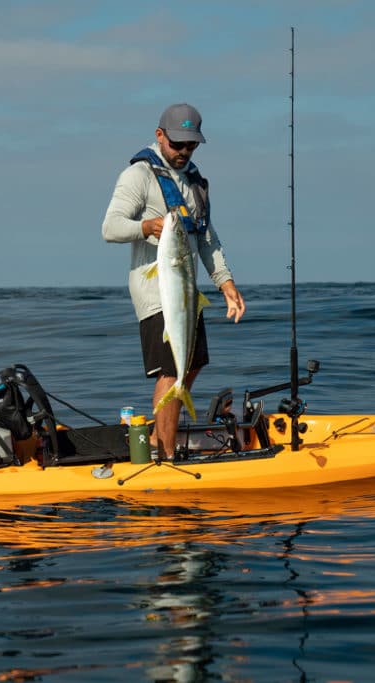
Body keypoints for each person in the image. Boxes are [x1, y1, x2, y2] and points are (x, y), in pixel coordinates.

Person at [102, 103, 246, 460]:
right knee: (170, 371)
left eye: (191, 146)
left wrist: (225, 283)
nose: (183, 152)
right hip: (156, 293)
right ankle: (162, 451)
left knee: (191, 365)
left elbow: (206, 238)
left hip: (186, 292)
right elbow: (110, 227)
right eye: (177, 144)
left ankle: (159, 435)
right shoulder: (138, 176)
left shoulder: (193, 180)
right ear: (159, 135)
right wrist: (145, 227)